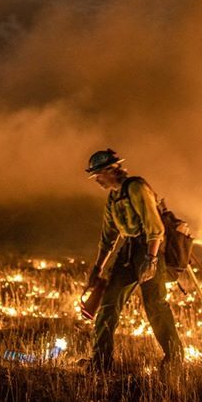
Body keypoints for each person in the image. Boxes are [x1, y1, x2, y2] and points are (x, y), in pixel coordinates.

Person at [83, 149, 182, 372]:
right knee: (108, 305)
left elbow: (154, 227)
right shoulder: (113, 198)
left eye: (99, 173)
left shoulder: (136, 187)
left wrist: (151, 259)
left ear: (111, 170)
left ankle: (174, 360)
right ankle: (101, 363)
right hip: (128, 251)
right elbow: (108, 237)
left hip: (147, 248)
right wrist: (98, 268)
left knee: (155, 305)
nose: (97, 179)